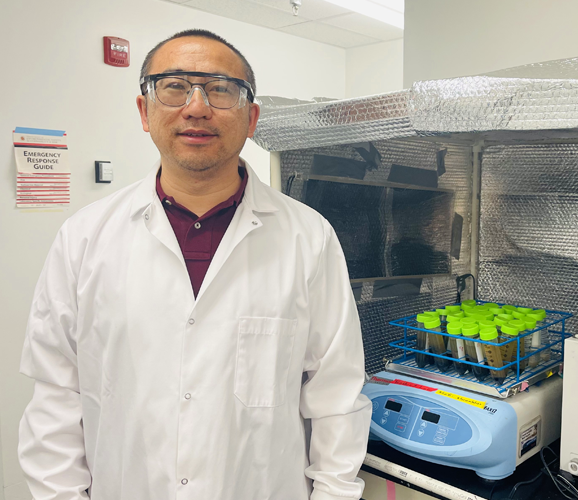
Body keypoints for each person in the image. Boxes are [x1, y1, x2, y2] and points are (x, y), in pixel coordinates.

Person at [18, 29, 371, 500]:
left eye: (221, 89)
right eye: (174, 86)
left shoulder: (309, 238)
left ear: (252, 118)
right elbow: (55, 400)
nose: (197, 107)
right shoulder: (84, 238)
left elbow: (336, 397)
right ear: (145, 111)